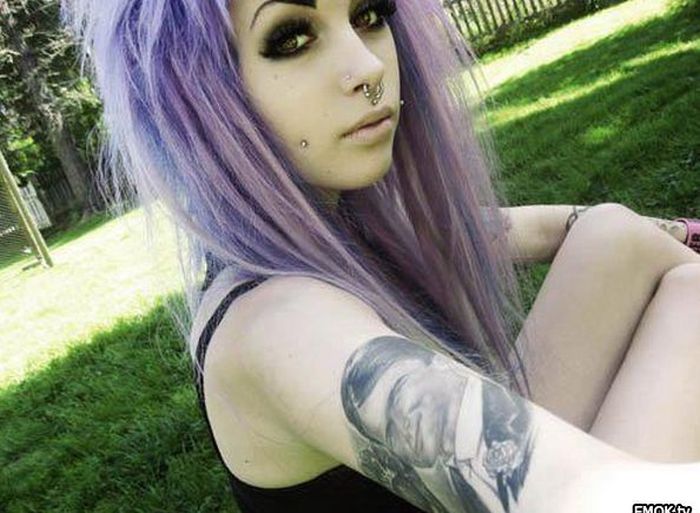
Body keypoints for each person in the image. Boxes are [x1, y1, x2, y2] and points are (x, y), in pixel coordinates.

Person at [61, 0, 700, 512]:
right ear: (200, 101)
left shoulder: (340, 228)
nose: (368, 68)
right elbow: (608, 500)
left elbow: (508, 230)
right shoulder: (276, 326)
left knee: (616, 241)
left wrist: (668, 231)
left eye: (368, 15)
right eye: (291, 38)